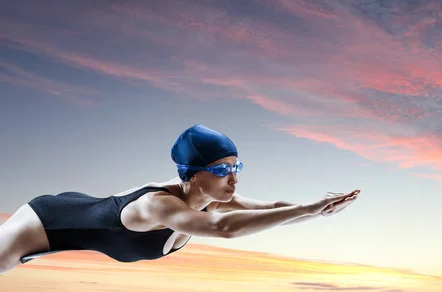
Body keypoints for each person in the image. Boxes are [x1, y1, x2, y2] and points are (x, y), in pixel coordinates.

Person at [0, 124, 360, 274]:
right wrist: (310, 209)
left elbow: (269, 210)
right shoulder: (159, 205)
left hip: (82, 206)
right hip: (43, 223)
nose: (233, 179)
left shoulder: (213, 197)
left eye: (237, 167)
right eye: (221, 170)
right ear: (192, 173)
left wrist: (320, 209)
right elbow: (223, 230)